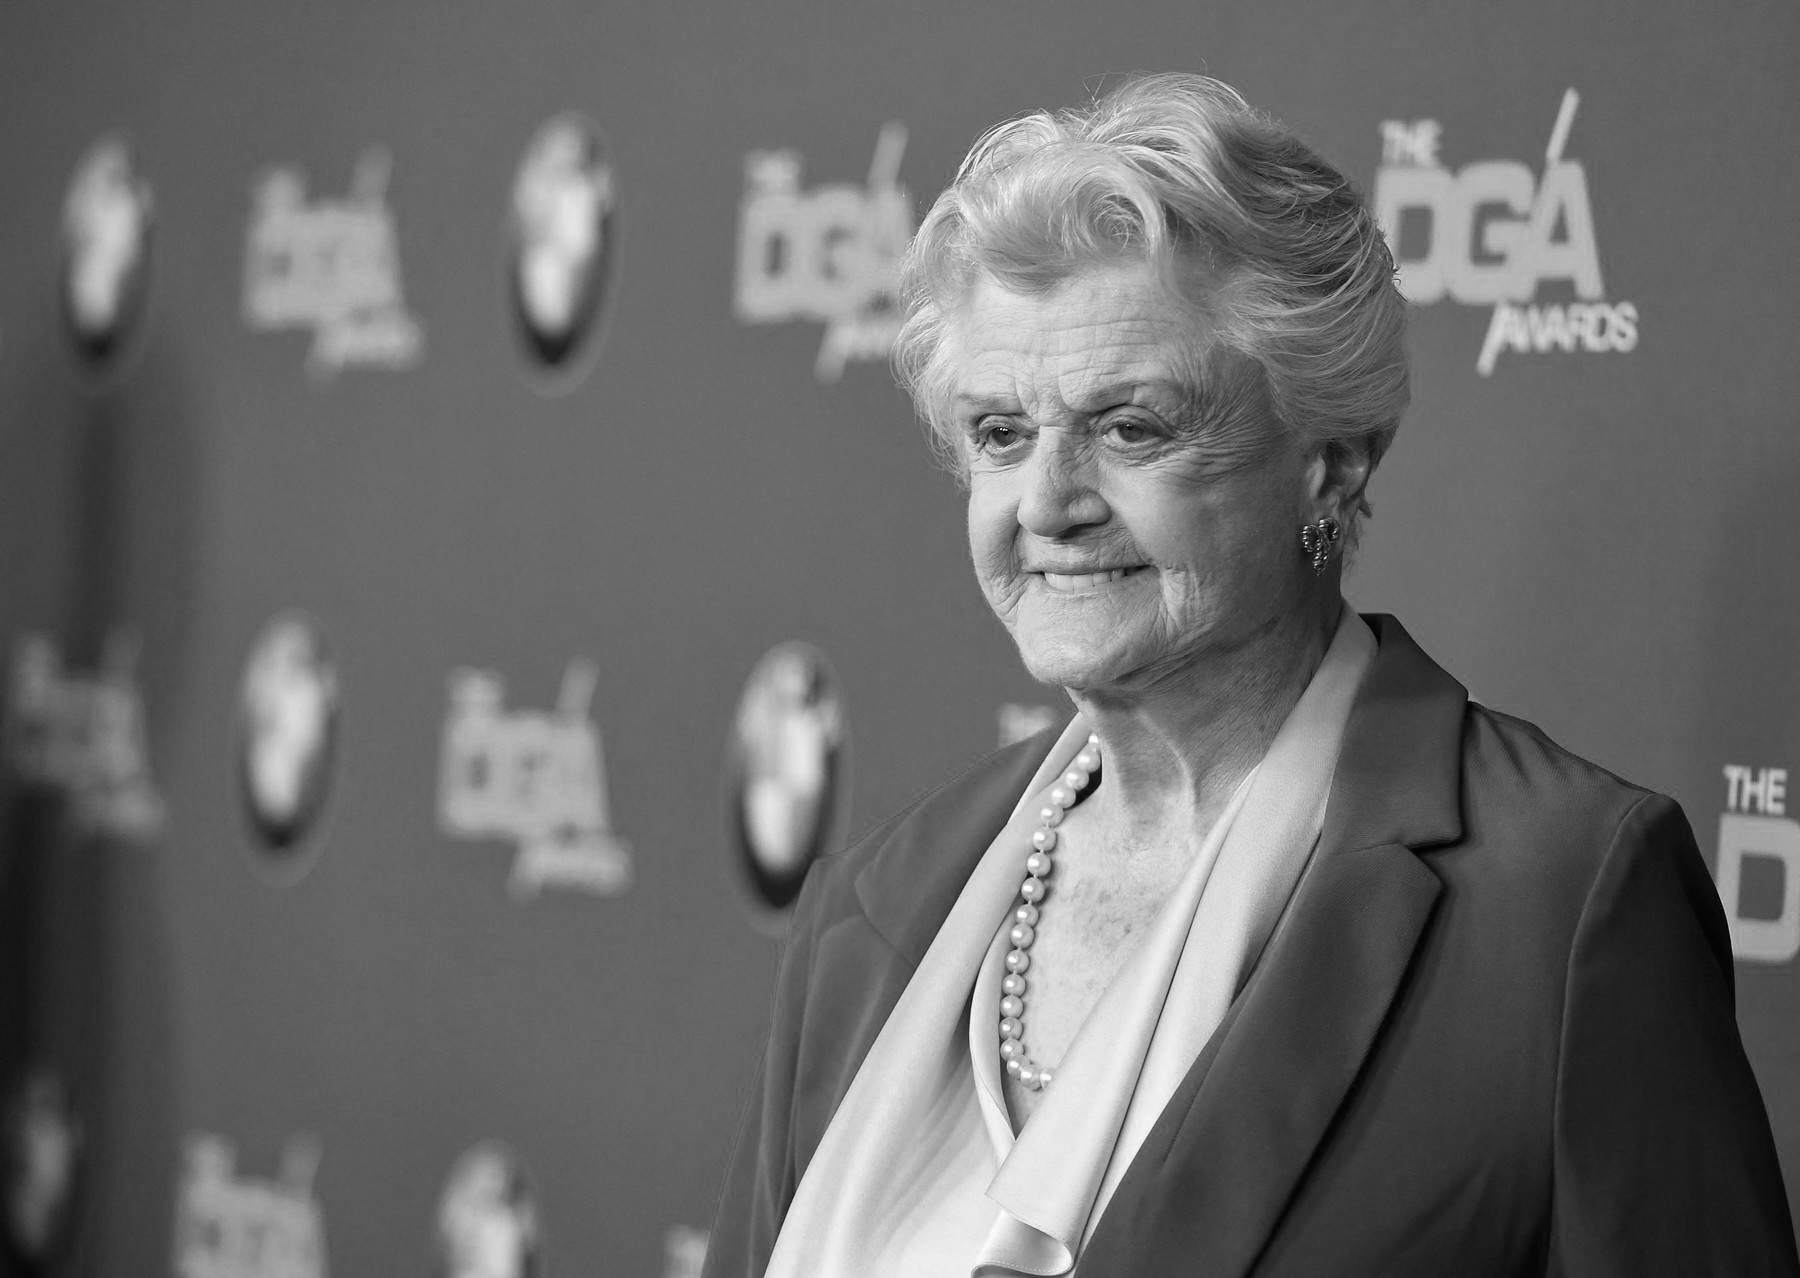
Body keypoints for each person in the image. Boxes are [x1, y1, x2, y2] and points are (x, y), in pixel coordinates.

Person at [701, 73, 1798, 1277]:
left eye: (1131, 427)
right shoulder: (871, 908)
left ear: (1331, 464)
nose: (1049, 504)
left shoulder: (1564, 901)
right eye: (1001, 434)